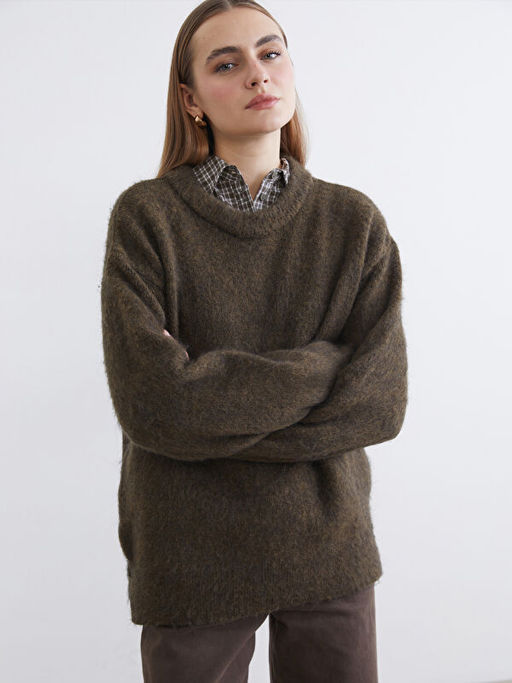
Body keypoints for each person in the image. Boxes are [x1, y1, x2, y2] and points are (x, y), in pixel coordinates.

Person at [100, 0, 409, 681]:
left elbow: (379, 403)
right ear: (191, 99)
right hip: (189, 552)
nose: (257, 74)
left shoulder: (353, 222)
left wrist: (209, 407)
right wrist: (325, 367)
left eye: (271, 53)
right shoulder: (147, 219)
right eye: (226, 63)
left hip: (328, 546)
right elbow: (155, 406)